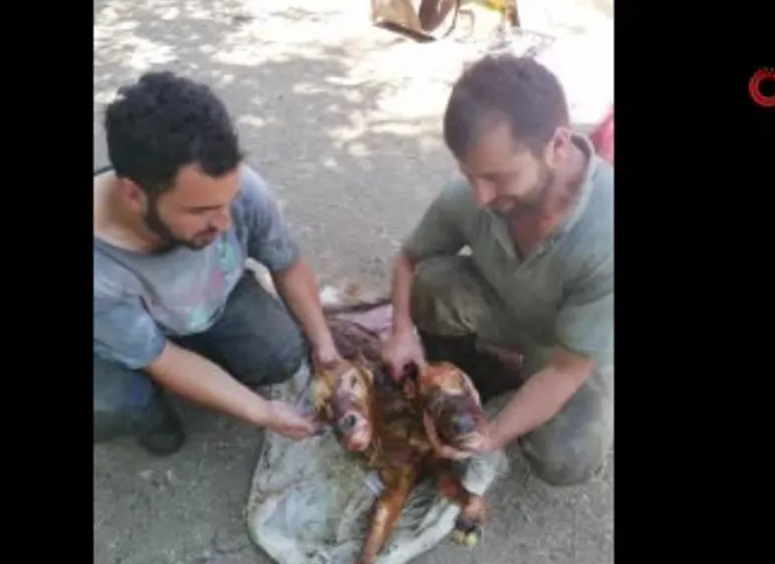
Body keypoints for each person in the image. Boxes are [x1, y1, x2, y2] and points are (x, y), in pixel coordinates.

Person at [382, 54, 613, 487]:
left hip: (569, 348)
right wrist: (400, 333)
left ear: (558, 146)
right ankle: (472, 375)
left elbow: (566, 371)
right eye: (469, 176)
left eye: (498, 178)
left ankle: (511, 390)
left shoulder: (607, 236)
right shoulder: (471, 195)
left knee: (568, 456)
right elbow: (408, 260)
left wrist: (493, 435)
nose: (481, 197)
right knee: (430, 284)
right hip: (507, 307)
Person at [93, 71, 341, 455]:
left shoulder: (237, 188)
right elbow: (161, 357)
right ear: (133, 195)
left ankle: (203, 370)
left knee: (280, 353)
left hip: (207, 300)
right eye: (201, 211)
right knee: (110, 403)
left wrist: (325, 346)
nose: (225, 223)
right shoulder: (100, 270)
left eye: (228, 200)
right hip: (123, 332)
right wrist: (260, 411)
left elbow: (288, 265)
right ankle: (152, 415)